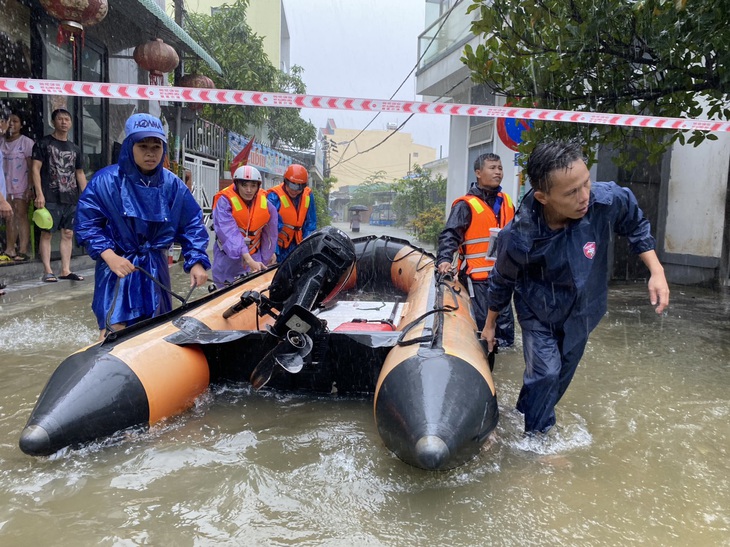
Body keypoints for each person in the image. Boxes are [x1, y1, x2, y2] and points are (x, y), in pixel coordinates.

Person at [482, 141, 670, 436]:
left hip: (584, 308)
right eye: (571, 192)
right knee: (546, 372)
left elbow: (634, 222)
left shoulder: (604, 200)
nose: (584, 197)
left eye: (586, 183)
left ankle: (522, 415)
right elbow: (502, 280)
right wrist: (490, 325)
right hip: (538, 309)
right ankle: (537, 444)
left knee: (557, 379)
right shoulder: (519, 236)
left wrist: (656, 271)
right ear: (543, 197)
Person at [75, 113, 210, 339]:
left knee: (157, 329)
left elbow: (192, 224)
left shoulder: (173, 185)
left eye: (156, 146)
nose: (150, 153)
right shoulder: (106, 181)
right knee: (113, 330)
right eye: (143, 146)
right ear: (130, 146)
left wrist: (196, 261)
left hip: (155, 266)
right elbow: (87, 223)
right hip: (117, 265)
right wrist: (110, 256)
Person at [436, 153, 516, 347]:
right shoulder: (465, 205)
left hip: (503, 278)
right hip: (477, 280)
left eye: (500, 168)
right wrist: (444, 259)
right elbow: (450, 235)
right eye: (492, 168)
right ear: (478, 173)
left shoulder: (507, 201)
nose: (498, 172)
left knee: (505, 332)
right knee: (482, 329)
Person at [31, 108, 87, 282]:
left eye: (67, 119)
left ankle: (65, 270)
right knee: (47, 233)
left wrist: (86, 196)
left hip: (70, 196)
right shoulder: (43, 144)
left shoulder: (75, 148)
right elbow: (35, 169)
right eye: (60, 119)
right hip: (49, 196)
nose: (64, 122)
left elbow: (79, 173)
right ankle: (47, 270)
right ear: (53, 122)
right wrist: (39, 194)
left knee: (68, 233)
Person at [211, 164, 278, 287]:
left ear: (258, 187)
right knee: (225, 293)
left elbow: (270, 232)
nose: (249, 190)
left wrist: (269, 253)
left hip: (254, 256)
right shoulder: (224, 201)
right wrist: (248, 259)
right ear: (237, 184)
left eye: (253, 186)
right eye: (244, 185)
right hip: (228, 259)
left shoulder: (266, 203)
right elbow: (228, 232)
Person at [1, 112, 35, 261]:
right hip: (4, 186)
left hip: (21, 184)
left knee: (21, 215)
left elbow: (31, 166)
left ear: (21, 125)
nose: (12, 124)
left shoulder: (26, 142)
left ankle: (22, 249)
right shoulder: (1, 141)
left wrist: (30, 186)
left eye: (15, 121)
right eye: (10, 121)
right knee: (9, 217)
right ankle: (9, 248)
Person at [267, 163, 317, 261]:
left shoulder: (308, 195)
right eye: (292, 185)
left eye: (299, 188)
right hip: (279, 247)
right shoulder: (274, 197)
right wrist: (272, 251)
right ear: (285, 181)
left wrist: (307, 245)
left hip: (298, 244)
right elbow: (270, 228)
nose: (294, 191)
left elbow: (311, 223)